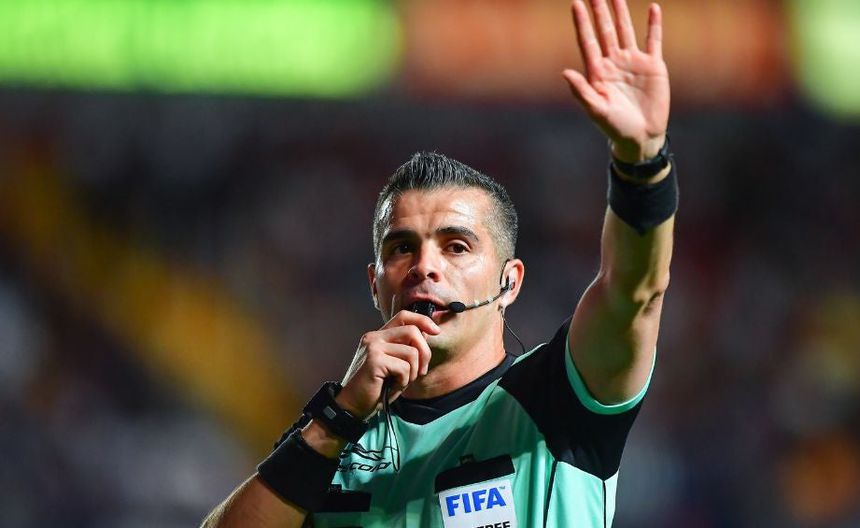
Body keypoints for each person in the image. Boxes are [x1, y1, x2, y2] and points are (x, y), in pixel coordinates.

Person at [202, 0, 674, 526]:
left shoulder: (559, 398)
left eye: (456, 246)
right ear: (375, 285)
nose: (424, 266)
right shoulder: (332, 441)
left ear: (509, 282)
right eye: (401, 248)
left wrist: (642, 164)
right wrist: (336, 421)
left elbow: (634, 291)